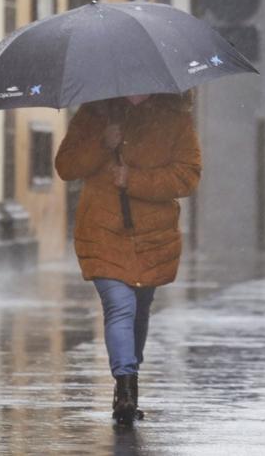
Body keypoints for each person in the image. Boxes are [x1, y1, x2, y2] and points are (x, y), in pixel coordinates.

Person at [54, 92, 201, 426]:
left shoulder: (175, 118)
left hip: (153, 235)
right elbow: (66, 166)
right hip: (103, 229)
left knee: (139, 308)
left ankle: (129, 370)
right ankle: (125, 388)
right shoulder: (95, 113)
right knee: (120, 305)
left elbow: (188, 176)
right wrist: (103, 144)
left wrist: (133, 180)